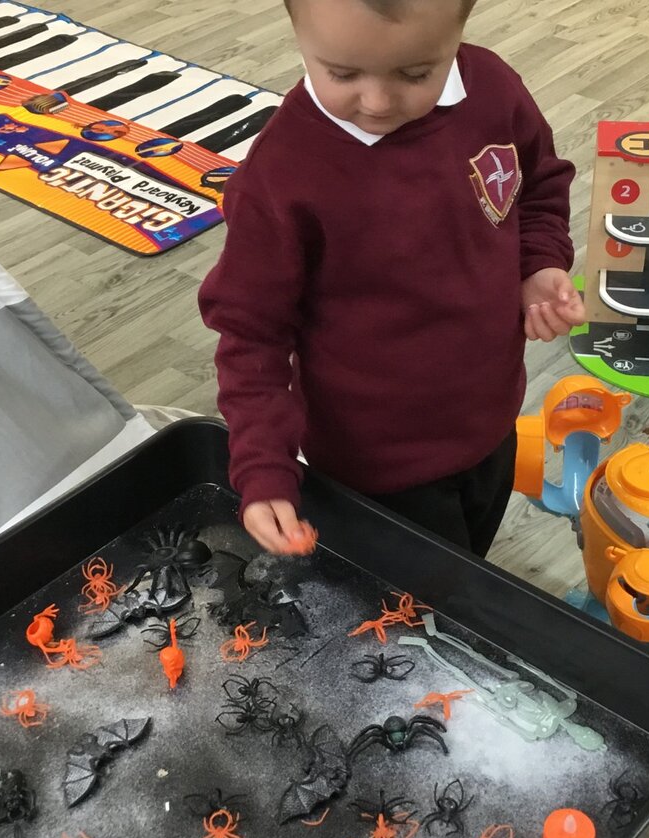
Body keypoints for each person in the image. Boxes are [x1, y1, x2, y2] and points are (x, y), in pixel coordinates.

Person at [198, 0, 585, 558]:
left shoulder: (494, 90)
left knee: (471, 567)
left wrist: (539, 264)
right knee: (425, 610)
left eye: (415, 73)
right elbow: (251, 335)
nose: (377, 102)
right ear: (297, 34)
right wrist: (263, 466)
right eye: (342, 73)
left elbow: (539, 184)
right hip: (379, 470)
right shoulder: (282, 175)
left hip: (492, 421)